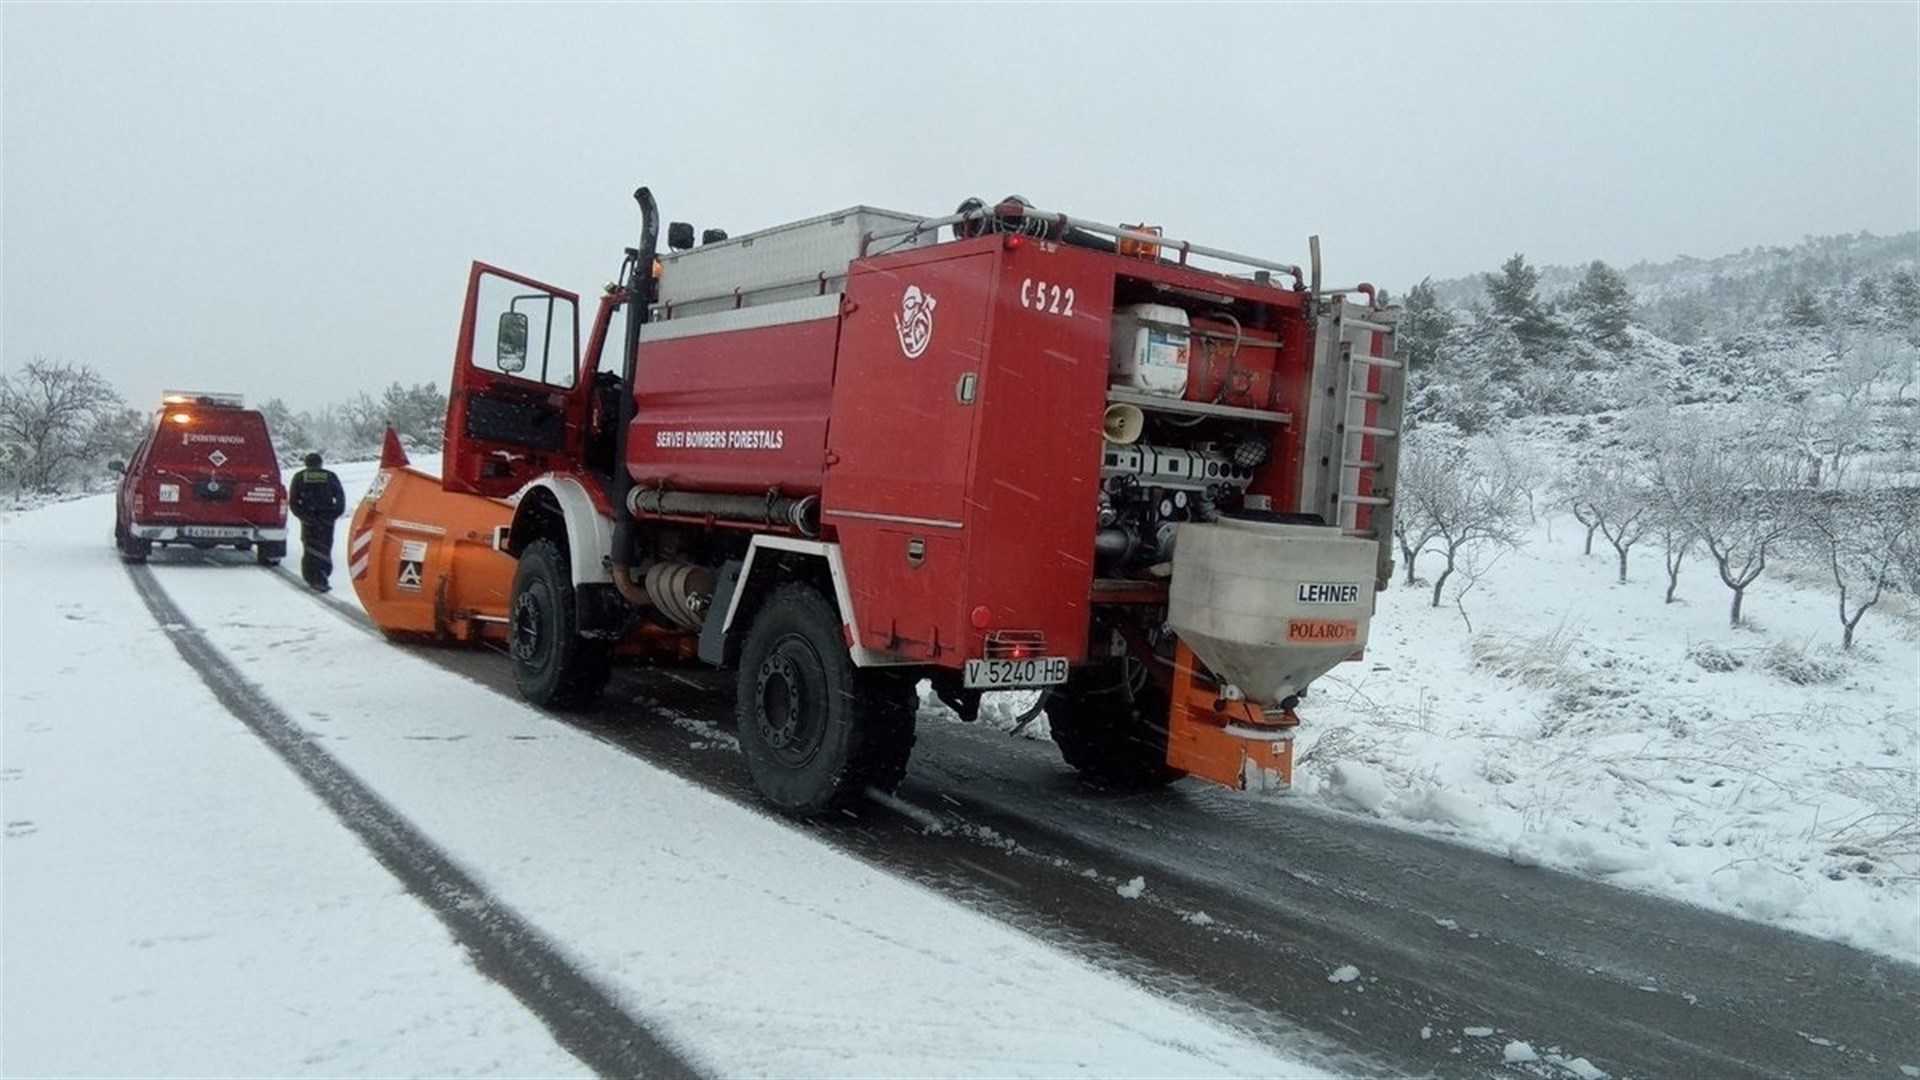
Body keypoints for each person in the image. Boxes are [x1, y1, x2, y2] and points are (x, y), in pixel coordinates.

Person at [289, 451, 346, 591]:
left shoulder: (299, 477)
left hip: (309, 520)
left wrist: (303, 516)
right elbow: (340, 498)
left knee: (309, 548)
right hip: (326, 520)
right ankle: (322, 575)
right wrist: (333, 515)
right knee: (325, 547)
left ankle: (312, 576)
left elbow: (293, 501)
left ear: (306, 464)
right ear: (320, 463)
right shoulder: (330, 476)